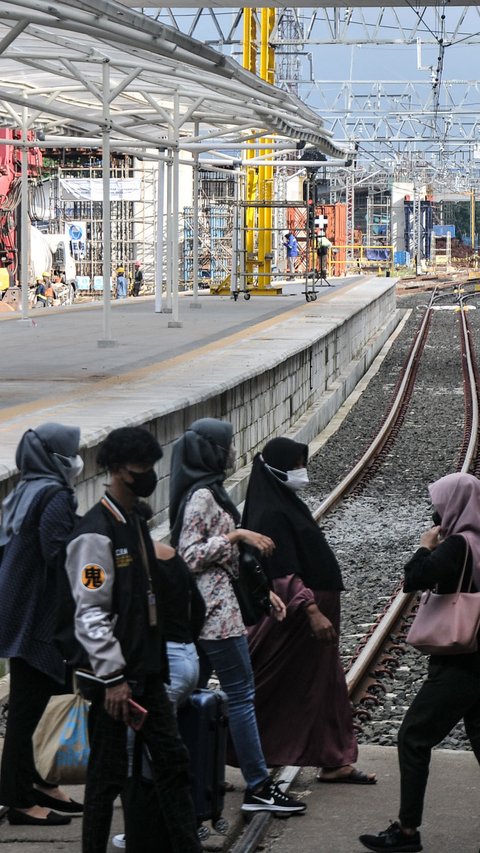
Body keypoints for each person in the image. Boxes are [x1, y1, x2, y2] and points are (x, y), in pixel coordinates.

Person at [65, 426, 202, 853]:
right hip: (116, 682)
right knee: (106, 780)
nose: (149, 475)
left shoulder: (136, 522)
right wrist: (113, 677)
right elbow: (90, 613)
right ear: (119, 469)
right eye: (143, 468)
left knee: (172, 763)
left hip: (147, 672)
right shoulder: (94, 535)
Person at [169, 417, 306, 816]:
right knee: (242, 695)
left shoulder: (208, 490)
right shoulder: (202, 498)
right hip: (214, 616)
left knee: (190, 692)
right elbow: (188, 555)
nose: (233, 451)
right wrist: (236, 536)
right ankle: (259, 785)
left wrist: (262, 594)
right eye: (227, 445)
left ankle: (189, 772)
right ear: (210, 450)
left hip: (213, 610)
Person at [243, 437, 376, 783]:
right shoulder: (271, 512)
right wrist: (312, 609)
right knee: (275, 684)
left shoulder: (282, 501)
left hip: (310, 616)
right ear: (276, 468)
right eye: (296, 465)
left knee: (323, 685)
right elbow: (282, 571)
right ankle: (227, 750)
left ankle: (334, 758)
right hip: (301, 617)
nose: (302, 471)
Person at [359, 472, 480, 853]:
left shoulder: (458, 545)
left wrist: (425, 547)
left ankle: (407, 832)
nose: (435, 510)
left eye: (439, 502)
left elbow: (414, 579)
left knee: (413, 737)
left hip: (461, 661)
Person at [0, 423, 84, 826]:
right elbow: (63, 554)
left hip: (20, 611)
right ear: (56, 458)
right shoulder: (54, 495)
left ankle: (38, 782)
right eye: (72, 451)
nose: (78, 459)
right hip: (37, 618)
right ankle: (17, 799)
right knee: (26, 709)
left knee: (39, 698)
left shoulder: (27, 488)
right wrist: (99, 582)